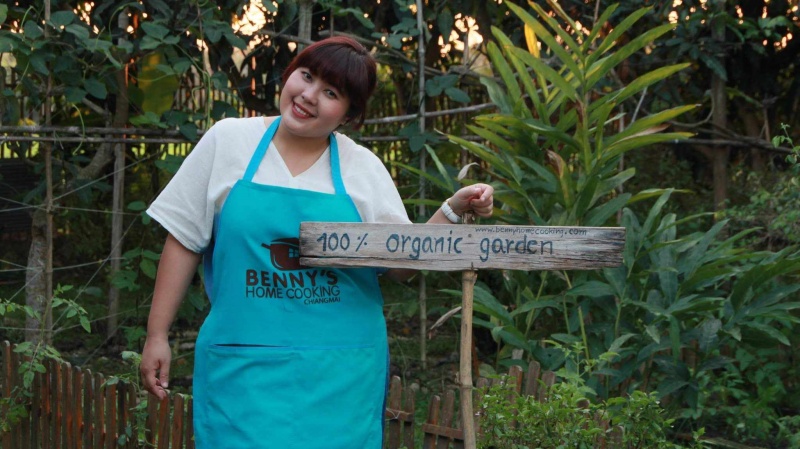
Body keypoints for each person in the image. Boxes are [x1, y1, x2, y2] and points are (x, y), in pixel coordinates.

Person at [140, 36, 493, 449]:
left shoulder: (362, 168)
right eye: (306, 76)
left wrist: (451, 210)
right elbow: (184, 239)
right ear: (289, 74)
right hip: (244, 367)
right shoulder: (229, 142)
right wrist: (157, 333)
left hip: (340, 375)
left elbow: (400, 264)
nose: (308, 96)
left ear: (349, 114)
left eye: (331, 93)